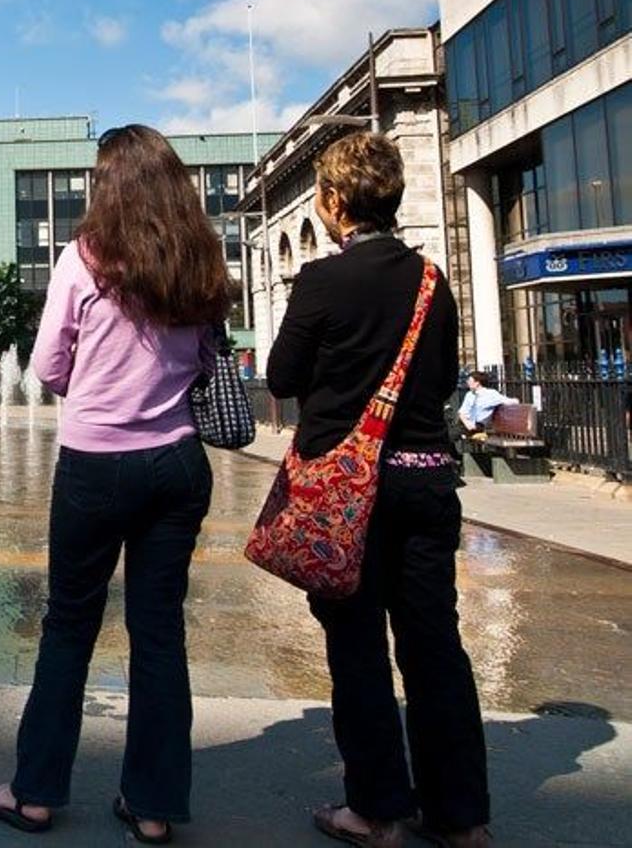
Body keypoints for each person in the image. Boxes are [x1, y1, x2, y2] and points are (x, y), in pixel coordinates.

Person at [0, 124, 230, 844]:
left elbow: (50, 367)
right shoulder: (197, 260)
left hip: (96, 464)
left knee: (69, 626)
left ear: (107, 185)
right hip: (177, 463)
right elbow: (207, 358)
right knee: (158, 634)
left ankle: (35, 794)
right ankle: (152, 808)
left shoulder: (83, 260)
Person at [267, 132, 490, 848]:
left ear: (333, 202)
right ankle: (460, 818)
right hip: (427, 483)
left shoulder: (323, 282)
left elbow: (282, 377)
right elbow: (446, 377)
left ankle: (376, 808)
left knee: (357, 648)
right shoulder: (432, 281)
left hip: (346, 491)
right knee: (435, 648)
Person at [456, 370, 515, 439]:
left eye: (469, 380)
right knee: (449, 432)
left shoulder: (490, 394)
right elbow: (462, 412)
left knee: (449, 434)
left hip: (479, 426)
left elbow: (508, 401)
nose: (467, 382)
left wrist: (514, 401)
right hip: (465, 424)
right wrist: (466, 422)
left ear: (477, 383)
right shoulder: (469, 395)